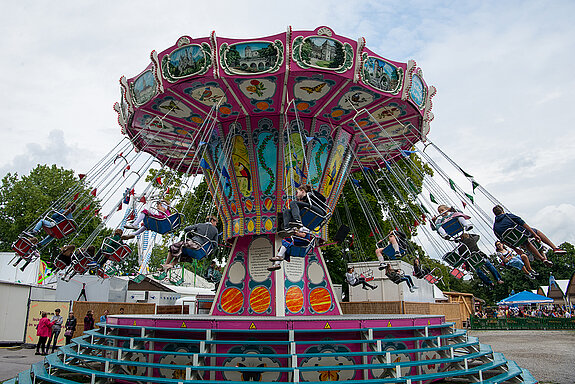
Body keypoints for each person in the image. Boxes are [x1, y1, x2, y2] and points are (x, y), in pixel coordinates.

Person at [492, 205, 564, 266]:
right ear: (502, 211)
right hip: (522, 234)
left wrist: (515, 249)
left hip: (515, 242)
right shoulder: (508, 216)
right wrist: (535, 234)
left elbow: (503, 241)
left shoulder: (495, 227)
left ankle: (543, 259)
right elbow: (523, 224)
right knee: (537, 232)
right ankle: (554, 248)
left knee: (526, 243)